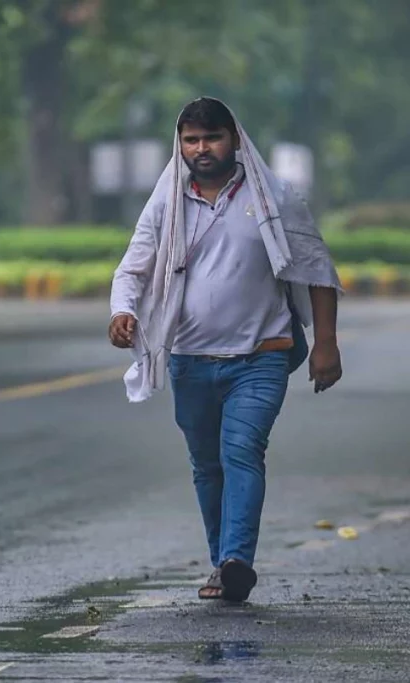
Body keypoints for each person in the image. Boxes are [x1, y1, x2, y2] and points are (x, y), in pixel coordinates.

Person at [108, 97, 343, 603]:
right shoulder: (166, 201)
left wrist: (327, 344)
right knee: (206, 465)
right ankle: (223, 565)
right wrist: (122, 311)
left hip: (262, 354)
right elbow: (134, 266)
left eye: (211, 138)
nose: (201, 148)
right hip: (190, 361)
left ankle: (237, 558)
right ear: (181, 145)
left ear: (234, 138)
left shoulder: (274, 196)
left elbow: (317, 271)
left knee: (241, 451)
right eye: (191, 140)